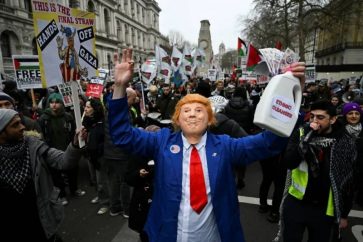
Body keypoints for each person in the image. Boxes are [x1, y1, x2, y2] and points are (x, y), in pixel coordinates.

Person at [108, 48, 306, 242]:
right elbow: (122, 136)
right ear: (177, 119)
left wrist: (291, 97)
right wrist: (118, 87)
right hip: (167, 235)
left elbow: (269, 143)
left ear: (210, 119)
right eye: (186, 110)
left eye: (199, 110)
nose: (192, 113)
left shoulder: (225, 146)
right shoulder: (161, 141)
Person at [0, 109, 84, 241]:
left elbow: (64, 162)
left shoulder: (34, 146)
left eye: (20, 123)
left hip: (40, 220)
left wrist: (75, 145)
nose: (22, 127)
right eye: (15, 125)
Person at [280, 100, 357, 242]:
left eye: (320, 118)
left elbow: (348, 181)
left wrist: (344, 214)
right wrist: (305, 141)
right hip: (297, 202)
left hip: (324, 209)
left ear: (333, 119)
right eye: (312, 117)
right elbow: (289, 162)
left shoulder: (344, 141)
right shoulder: (302, 133)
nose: (314, 121)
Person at [38, 92, 85, 205]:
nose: (54, 105)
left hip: (67, 148)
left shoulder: (67, 117)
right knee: (56, 175)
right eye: (52, 102)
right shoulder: (44, 119)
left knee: (72, 170)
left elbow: (73, 131)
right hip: (53, 151)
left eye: (57, 102)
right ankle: (62, 194)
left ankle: (74, 189)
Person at [125, 124, 161, 242]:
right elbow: (128, 178)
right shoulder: (137, 153)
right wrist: (138, 174)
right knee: (145, 232)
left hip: (161, 201)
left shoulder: (165, 154)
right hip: (143, 202)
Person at [82, 98, 109, 215]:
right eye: (85, 107)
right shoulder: (87, 121)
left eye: (88, 107)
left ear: (95, 109)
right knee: (94, 179)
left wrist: (99, 150)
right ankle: (99, 195)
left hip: (100, 156)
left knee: (101, 181)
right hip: (90, 155)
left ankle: (105, 203)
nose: (85, 109)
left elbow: (105, 140)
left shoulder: (103, 122)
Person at [340, 102, 363, 208]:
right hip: (342, 169)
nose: (354, 116)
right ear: (345, 115)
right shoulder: (338, 130)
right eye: (350, 113)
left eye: (357, 113)